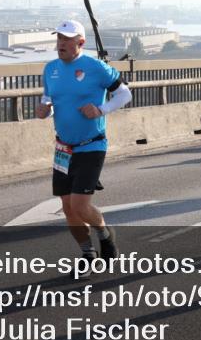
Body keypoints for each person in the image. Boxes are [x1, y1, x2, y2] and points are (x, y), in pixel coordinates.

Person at [36, 20, 133, 278]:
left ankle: (104, 234)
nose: (61, 44)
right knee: (68, 208)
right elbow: (48, 99)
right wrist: (44, 109)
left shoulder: (96, 67)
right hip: (63, 148)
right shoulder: (51, 69)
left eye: (67, 40)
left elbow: (125, 94)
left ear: (80, 42)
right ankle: (88, 254)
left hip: (92, 144)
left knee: (80, 206)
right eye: (58, 39)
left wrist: (101, 109)